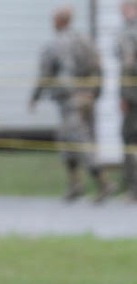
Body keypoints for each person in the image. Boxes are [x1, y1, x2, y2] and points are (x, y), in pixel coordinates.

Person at [29, 5, 113, 202]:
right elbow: (99, 67)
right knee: (79, 140)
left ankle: (102, 183)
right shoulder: (85, 41)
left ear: (59, 21)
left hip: (69, 101)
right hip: (87, 98)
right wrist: (95, 93)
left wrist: (35, 97)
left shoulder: (55, 44)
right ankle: (75, 185)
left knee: (76, 142)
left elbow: (45, 74)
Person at [117, 1, 137, 199]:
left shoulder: (128, 33)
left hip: (134, 97)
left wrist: (124, 95)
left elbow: (128, 65)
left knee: (129, 138)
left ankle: (133, 189)